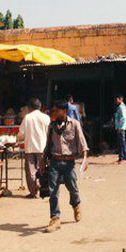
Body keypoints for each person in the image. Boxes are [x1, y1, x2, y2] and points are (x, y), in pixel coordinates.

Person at [41, 100, 88, 233]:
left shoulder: (74, 124)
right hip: (55, 162)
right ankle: (55, 218)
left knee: (73, 188)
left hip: (69, 162)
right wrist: (43, 161)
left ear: (64, 111)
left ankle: (76, 205)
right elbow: (48, 145)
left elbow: (82, 143)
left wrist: (85, 159)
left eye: (56, 111)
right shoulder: (51, 126)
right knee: (53, 191)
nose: (54, 113)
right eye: (53, 111)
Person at [20, 98, 50, 198]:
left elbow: (21, 133)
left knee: (31, 171)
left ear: (30, 108)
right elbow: (48, 132)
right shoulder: (46, 118)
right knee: (42, 169)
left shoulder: (27, 117)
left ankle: (34, 192)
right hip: (42, 147)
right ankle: (42, 190)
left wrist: (17, 140)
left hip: (30, 147)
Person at [114, 93, 126, 164]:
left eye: (117, 99)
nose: (116, 101)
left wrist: (121, 127)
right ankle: (120, 158)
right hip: (119, 127)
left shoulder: (122, 107)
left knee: (122, 143)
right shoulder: (119, 107)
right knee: (120, 143)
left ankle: (124, 158)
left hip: (121, 127)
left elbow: (123, 118)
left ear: (121, 99)